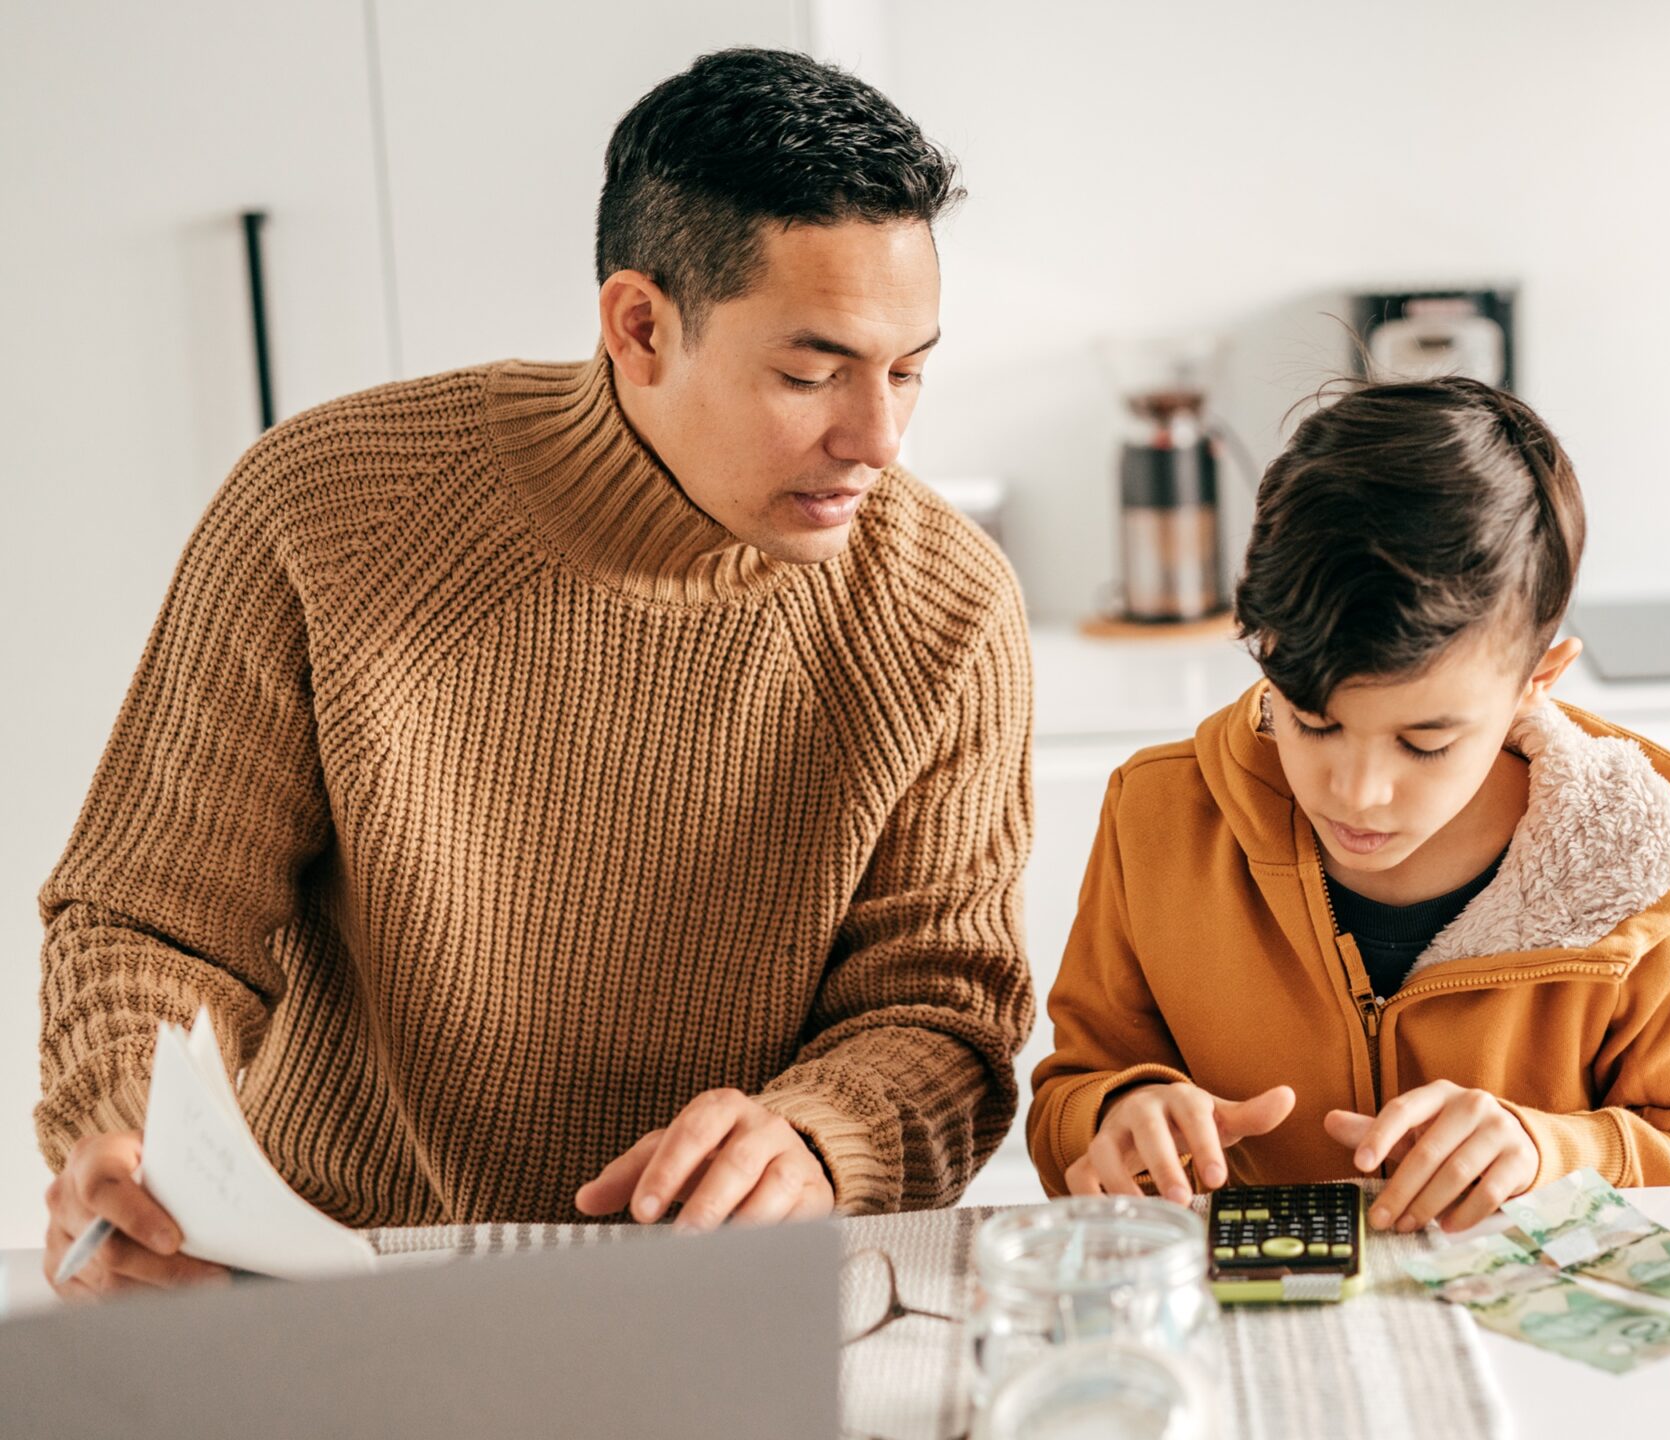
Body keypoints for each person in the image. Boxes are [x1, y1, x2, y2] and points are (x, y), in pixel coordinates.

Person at [37, 48, 1033, 1300]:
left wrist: (816, 1142)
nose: (878, 438)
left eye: (908, 368)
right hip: (329, 1279)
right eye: (810, 372)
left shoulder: (946, 608)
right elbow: (152, 920)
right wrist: (129, 1154)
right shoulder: (328, 511)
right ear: (640, 325)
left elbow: (942, 1010)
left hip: (725, 1292)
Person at [1028, 377, 1670, 1236]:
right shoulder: (1157, 815)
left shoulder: (1641, 877)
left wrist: (1554, 1154)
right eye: (1310, 721)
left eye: (1424, 744)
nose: (1355, 793)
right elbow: (1071, 1097)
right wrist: (1117, 1113)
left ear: (1536, 684)